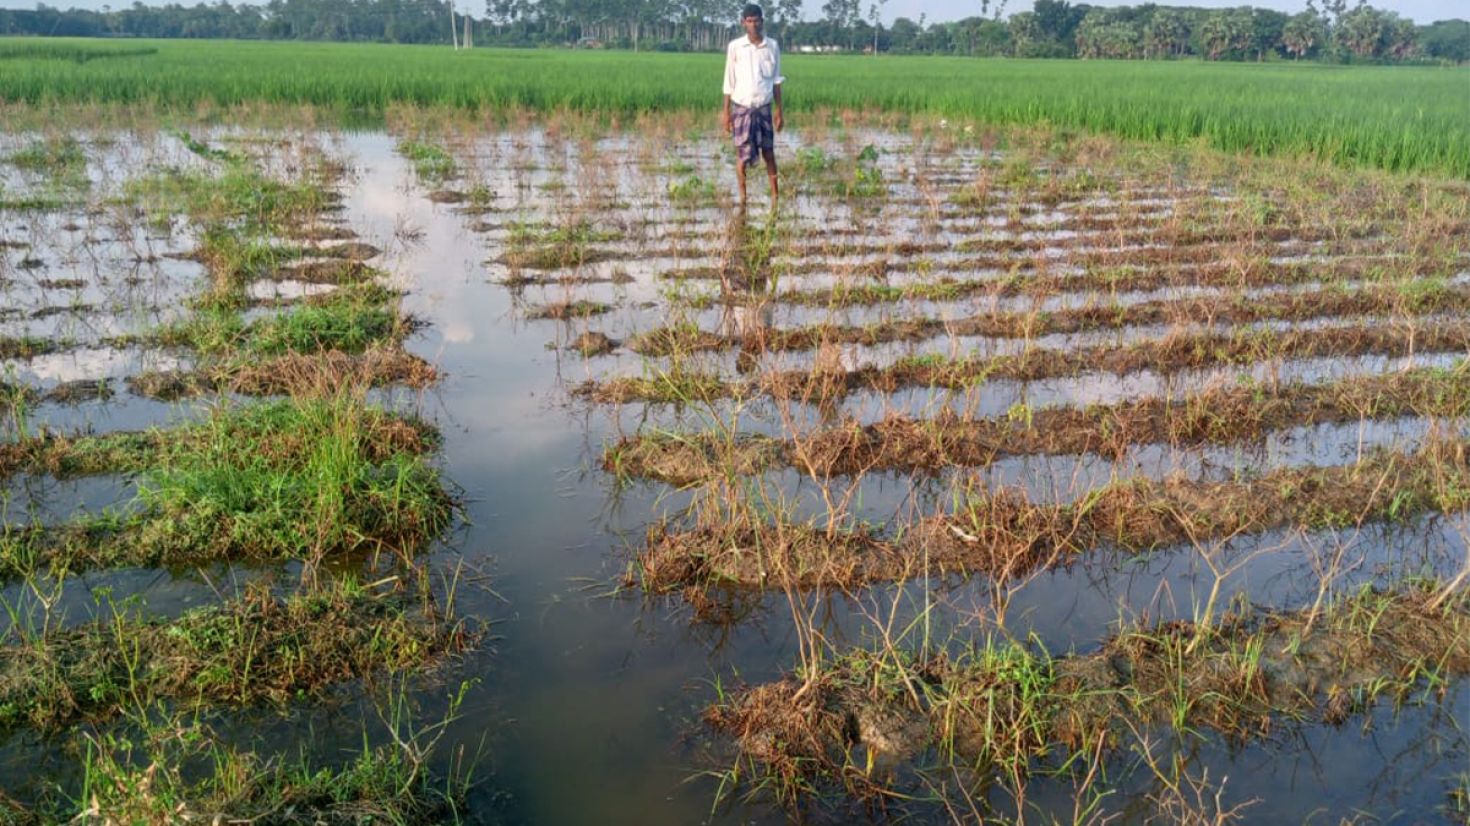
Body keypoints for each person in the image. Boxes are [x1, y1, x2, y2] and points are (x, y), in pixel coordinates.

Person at [721, 4, 784, 206]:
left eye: (756, 20)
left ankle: (775, 197)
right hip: (742, 108)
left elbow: (776, 81)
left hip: (764, 107)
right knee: (742, 155)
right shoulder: (735, 47)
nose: (753, 24)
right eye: (749, 20)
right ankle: (743, 198)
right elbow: (728, 81)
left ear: (762, 21)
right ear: (743, 23)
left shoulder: (772, 46)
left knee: (769, 152)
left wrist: (779, 110)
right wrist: (726, 113)